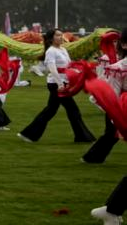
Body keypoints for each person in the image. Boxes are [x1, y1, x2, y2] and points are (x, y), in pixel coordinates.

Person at [18, 29, 96, 144]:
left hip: (63, 83)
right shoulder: (51, 51)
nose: (61, 37)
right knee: (72, 110)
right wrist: (60, 83)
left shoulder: (63, 49)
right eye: (58, 35)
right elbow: (52, 69)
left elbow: (68, 66)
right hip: (56, 84)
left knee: (51, 110)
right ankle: (82, 137)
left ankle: (28, 134)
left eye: (61, 35)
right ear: (51, 38)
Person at [82, 29, 127, 164]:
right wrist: (116, 116)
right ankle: (91, 158)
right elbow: (112, 93)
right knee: (111, 135)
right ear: (124, 44)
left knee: (110, 135)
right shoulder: (118, 67)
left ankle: (92, 157)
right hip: (121, 107)